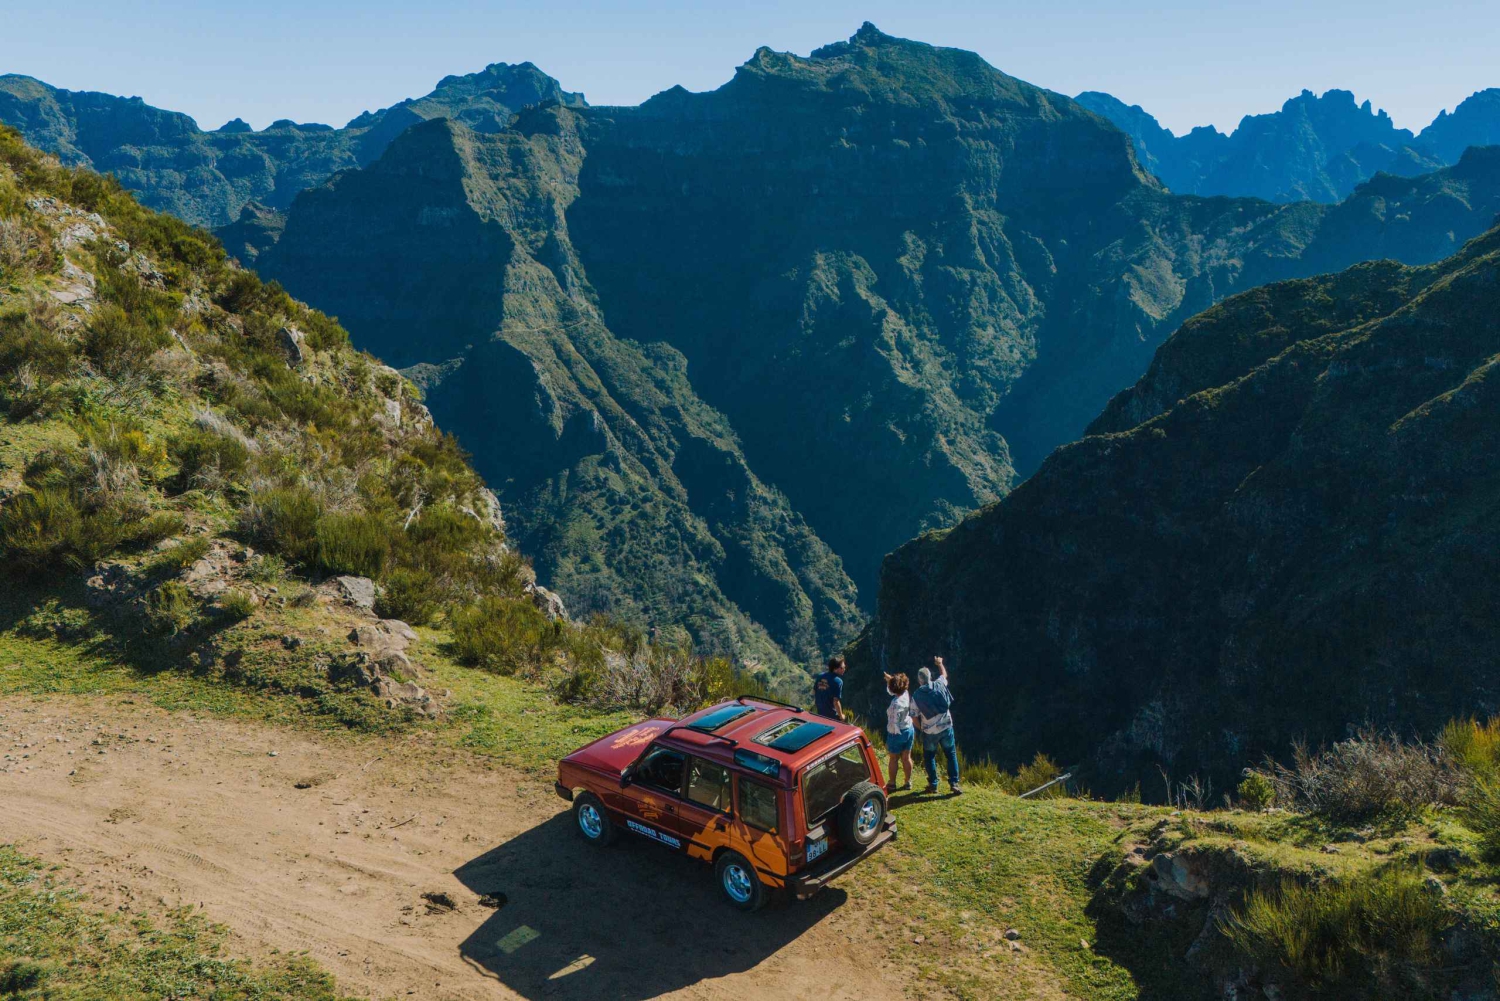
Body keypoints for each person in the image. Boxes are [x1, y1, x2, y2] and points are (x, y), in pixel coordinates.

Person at [911, 656, 961, 795]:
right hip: (946, 726)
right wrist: (940, 664)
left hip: (929, 731)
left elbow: (914, 716)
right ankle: (954, 783)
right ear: (930, 677)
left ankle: (933, 784)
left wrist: (921, 729)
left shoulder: (916, 696)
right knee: (951, 754)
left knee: (929, 757)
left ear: (919, 680)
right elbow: (944, 675)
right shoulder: (939, 684)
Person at [882, 671, 915, 792]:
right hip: (909, 729)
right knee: (906, 757)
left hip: (897, 733)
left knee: (894, 758)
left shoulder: (895, 704)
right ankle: (908, 781)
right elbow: (896, 689)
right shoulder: (906, 694)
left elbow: (892, 723)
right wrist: (889, 679)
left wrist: (889, 739)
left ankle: (892, 783)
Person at [813, 656, 846, 721]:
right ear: (835, 669)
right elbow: (836, 702)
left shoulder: (820, 676)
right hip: (831, 716)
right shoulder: (838, 681)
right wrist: (841, 716)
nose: (844, 669)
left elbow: (814, 691)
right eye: (842, 667)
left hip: (819, 713)